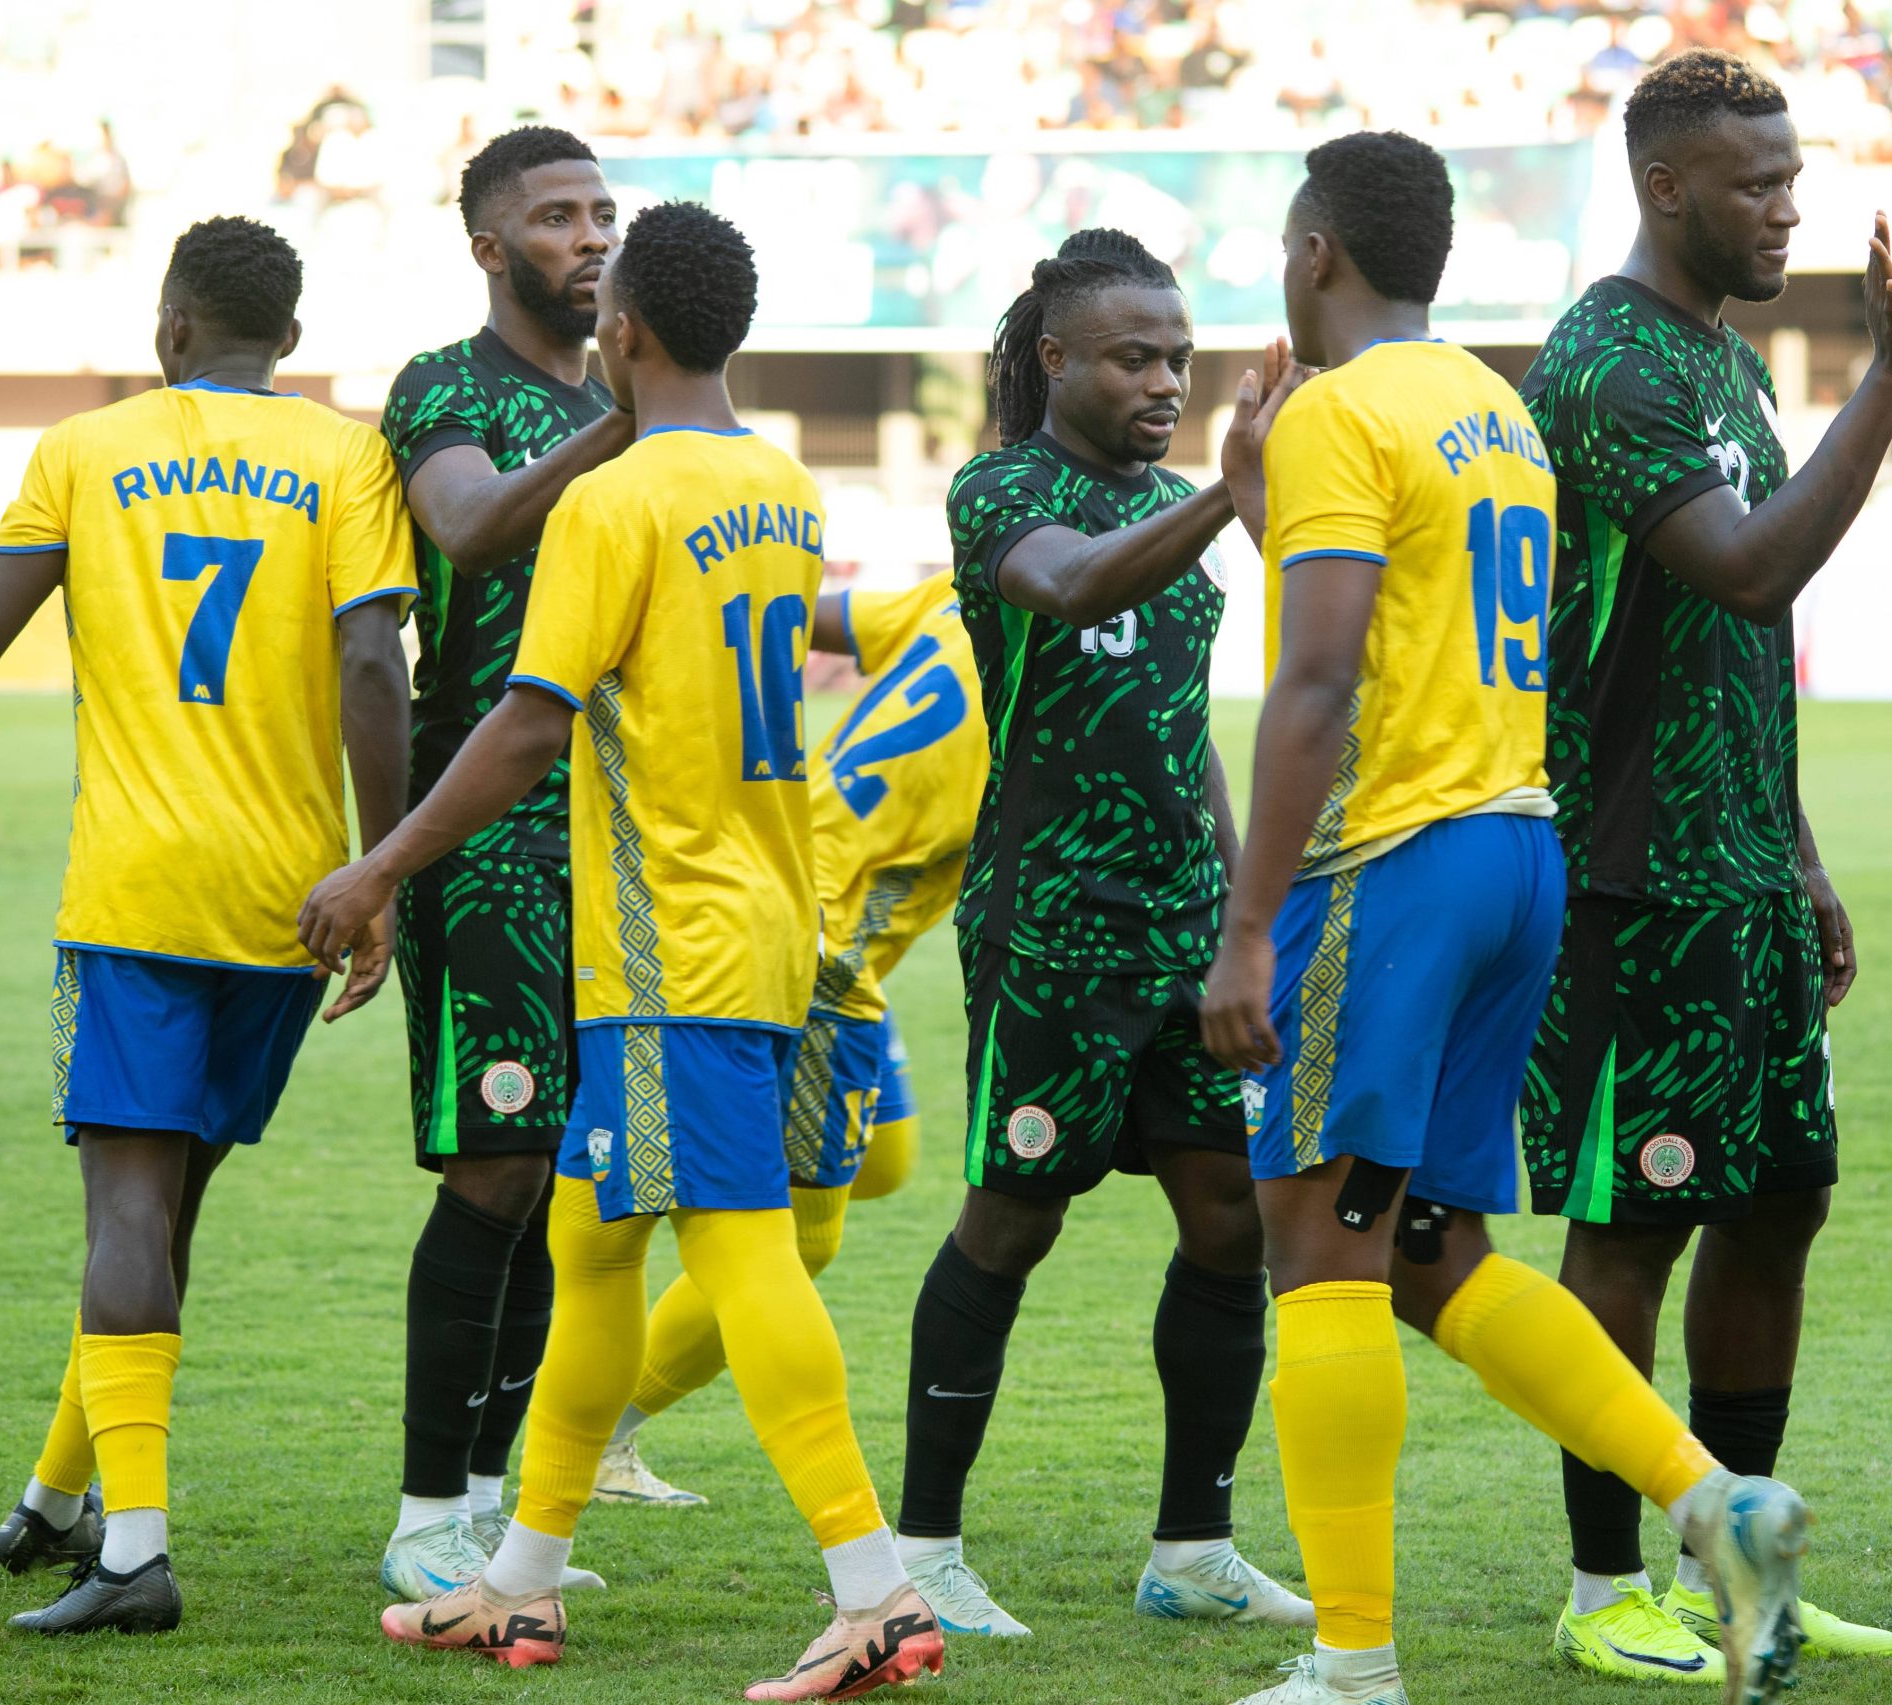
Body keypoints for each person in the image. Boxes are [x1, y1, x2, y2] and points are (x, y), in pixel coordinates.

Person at [296, 198, 943, 1698]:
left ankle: (876, 1589)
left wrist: (380, 860)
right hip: (767, 921)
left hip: (674, 944)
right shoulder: (780, 485)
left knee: (740, 1247)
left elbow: (530, 718)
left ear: (623, 333)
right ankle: (516, 1584)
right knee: (591, 1250)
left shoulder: (615, 499)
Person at [1199, 128, 1812, 1705]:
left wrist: (1252, 925)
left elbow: (1322, 677)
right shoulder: (1488, 401)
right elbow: (1412, 625)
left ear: (1314, 251)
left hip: (1388, 865)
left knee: (1314, 1248)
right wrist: (1261, 505)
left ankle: (1352, 1665)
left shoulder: (1346, 409)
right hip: (1513, 852)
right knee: (1427, 1247)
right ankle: (1710, 1498)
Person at [0, 215, 415, 1634]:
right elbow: (370, 655)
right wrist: (386, 867)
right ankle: (60, 1497)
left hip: (138, 887)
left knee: (124, 1206)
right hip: (293, 895)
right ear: (289, 341)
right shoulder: (349, 457)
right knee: (168, 1208)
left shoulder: (84, 449)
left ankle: (133, 1558)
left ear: (168, 331)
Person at [1513, 48, 1892, 1682]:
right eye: (1756, 184)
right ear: (1663, 187)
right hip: (1631, 882)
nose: (1786, 208)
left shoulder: (1724, 365)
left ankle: (1739, 1549)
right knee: (1633, 1227)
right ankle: (1610, 1584)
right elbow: (1748, 571)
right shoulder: (1611, 367)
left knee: (1782, 1204)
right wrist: (1890, 380)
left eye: (1793, 179)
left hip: (1739, 870)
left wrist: (1801, 852)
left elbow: (1750, 654)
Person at [892, 226, 1309, 1640]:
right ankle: (925, 1545)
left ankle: (1193, 1545)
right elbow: (1074, 589)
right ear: (1056, 354)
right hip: (1051, 930)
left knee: (1230, 1219)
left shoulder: (1171, 510)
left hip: (1184, 931)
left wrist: (1241, 907)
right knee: (1011, 1218)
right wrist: (1225, 494)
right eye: (1135, 356)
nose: (1165, 380)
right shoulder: (1003, 489)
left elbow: (1180, 731)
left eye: (1181, 358)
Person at [374, 125, 649, 1595]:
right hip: (485, 839)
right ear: (491, 246)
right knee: (493, 1166)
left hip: (615, 839)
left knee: (563, 1174)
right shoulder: (448, 387)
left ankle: (488, 1500)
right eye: (557, 217)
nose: (591, 235)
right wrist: (630, 419)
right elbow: (473, 529)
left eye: (605, 211)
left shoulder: (628, 398)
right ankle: (425, 1517)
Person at [601, 568, 983, 1488]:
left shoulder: (956, 595)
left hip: (800, 891)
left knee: (886, 1161)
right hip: (822, 949)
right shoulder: (1034, 691)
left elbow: (808, 611)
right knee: (798, 1242)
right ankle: (604, 1429)